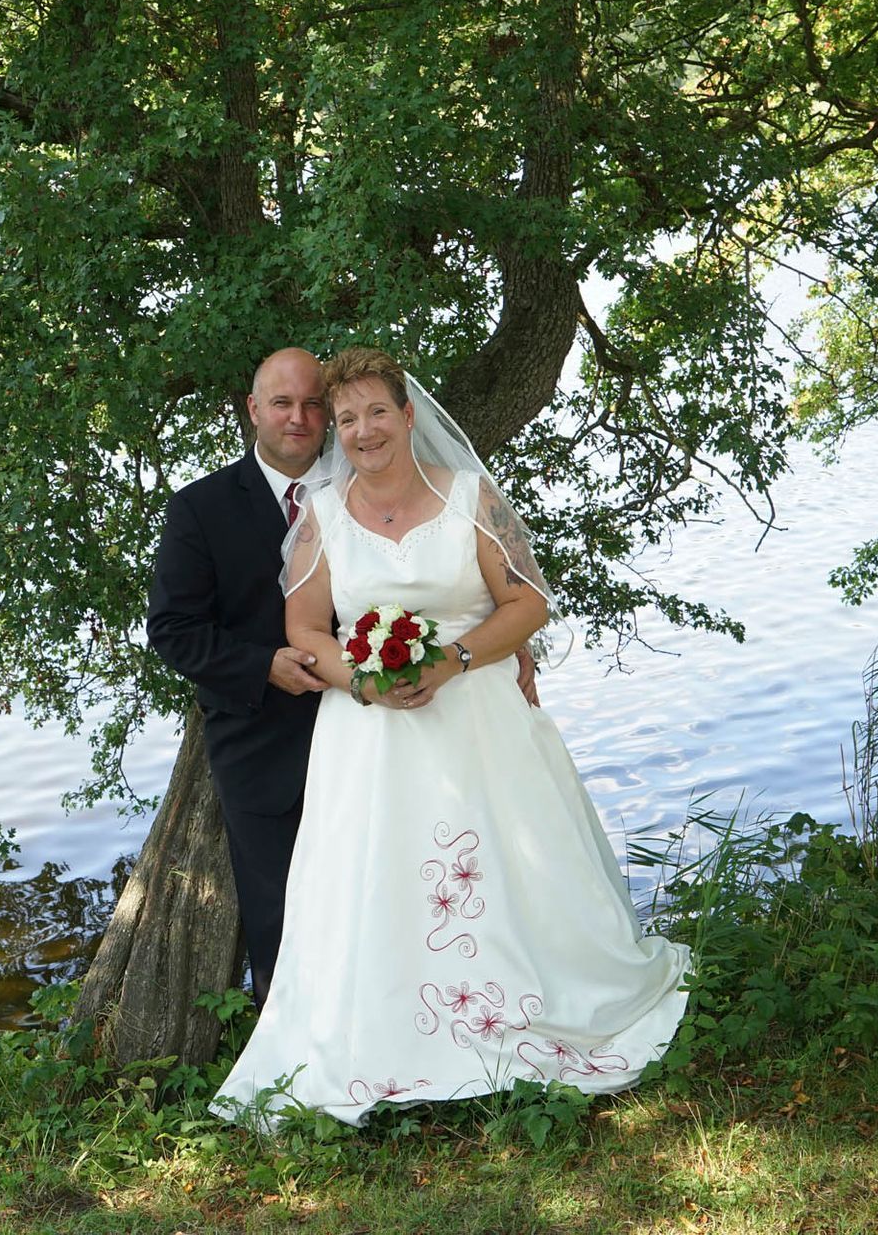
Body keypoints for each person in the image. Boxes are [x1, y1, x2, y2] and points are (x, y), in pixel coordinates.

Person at [212, 346, 689, 1126]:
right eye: (346, 420)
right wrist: (362, 678)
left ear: (406, 416)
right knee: (384, 878)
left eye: (376, 413)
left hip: (478, 718)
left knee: (505, 869)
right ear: (335, 433)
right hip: (369, 737)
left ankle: (522, 1016)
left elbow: (528, 602)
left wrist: (456, 659)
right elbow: (304, 626)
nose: (363, 432)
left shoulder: (471, 496)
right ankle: (393, 1034)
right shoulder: (322, 516)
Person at [145, 348, 331, 1006]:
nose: (299, 418)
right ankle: (297, 1060)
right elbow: (173, 630)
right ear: (254, 410)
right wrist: (262, 667)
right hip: (259, 742)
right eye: (283, 403)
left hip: (369, 735)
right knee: (281, 913)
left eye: (313, 402)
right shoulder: (200, 509)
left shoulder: (365, 490)